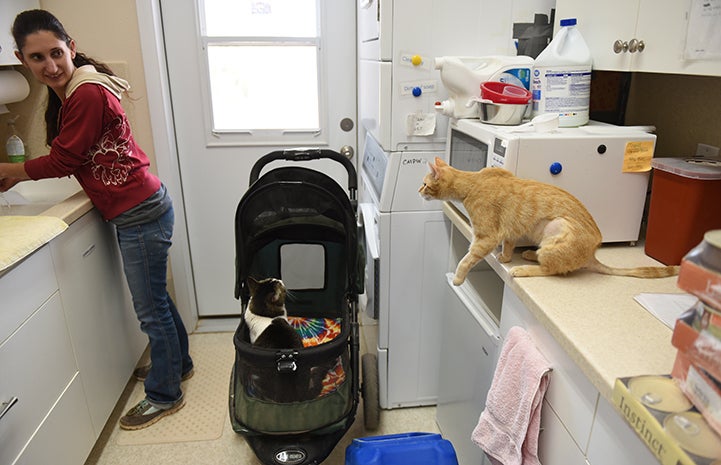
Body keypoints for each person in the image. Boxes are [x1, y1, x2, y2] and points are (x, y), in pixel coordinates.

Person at [0, 9, 194, 430]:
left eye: (55, 53)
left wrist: (10, 170)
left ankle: (165, 395)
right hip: (145, 205)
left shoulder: (84, 91)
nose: (49, 66)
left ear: (70, 46)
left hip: (140, 212)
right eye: (36, 59)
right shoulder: (76, 84)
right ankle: (176, 367)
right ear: (21, 59)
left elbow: (65, 158)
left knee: (150, 309)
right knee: (157, 302)